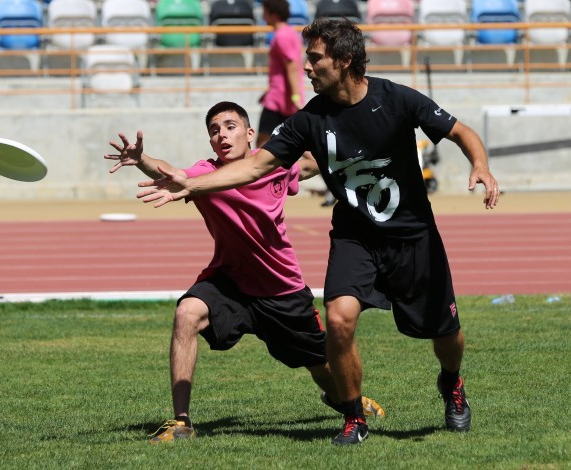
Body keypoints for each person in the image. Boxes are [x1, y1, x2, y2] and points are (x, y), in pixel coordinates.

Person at [136, 18, 500, 446]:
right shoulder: (308, 121)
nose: (306, 68)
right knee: (339, 318)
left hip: (413, 236)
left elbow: (460, 131)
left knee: (445, 334)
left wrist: (480, 164)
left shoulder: (396, 99)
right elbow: (255, 166)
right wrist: (190, 185)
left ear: (344, 61)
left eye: (314, 59)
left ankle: (452, 383)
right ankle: (353, 418)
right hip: (354, 237)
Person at [105, 101, 384, 444]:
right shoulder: (205, 173)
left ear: (250, 133)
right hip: (230, 282)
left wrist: (350, 147)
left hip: (281, 289)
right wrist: (143, 161)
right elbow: (170, 171)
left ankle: (345, 399)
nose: (222, 134)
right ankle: (181, 423)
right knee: (186, 313)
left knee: (321, 367)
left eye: (230, 126)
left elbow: (310, 165)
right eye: (214, 130)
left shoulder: (274, 165)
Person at [257, 0, 305, 148]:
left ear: (273, 14)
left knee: (262, 141)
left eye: (265, 12)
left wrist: (296, 97)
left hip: (279, 100)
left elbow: (291, 67)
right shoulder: (290, 33)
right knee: (295, 141)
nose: (262, 15)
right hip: (280, 97)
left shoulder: (281, 36)